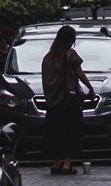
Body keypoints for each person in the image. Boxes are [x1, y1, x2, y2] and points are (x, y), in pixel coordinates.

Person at [41, 25, 95, 177]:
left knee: (55, 131)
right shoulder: (70, 55)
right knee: (71, 131)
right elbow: (79, 73)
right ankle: (67, 162)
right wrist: (90, 88)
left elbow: (46, 80)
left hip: (53, 103)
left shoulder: (48, 58)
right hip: (69, 101)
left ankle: (56, 161)